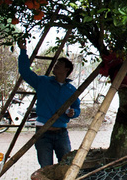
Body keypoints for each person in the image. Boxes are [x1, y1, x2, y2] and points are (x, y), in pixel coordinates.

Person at [18, 40, 80, 168]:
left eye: (59, 65)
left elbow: (76, 108)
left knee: (66, 166)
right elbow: (25, 72)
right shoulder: (43, 82)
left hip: (61, 133)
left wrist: (73, 113)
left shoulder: (71, 90)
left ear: (66, 70)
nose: (55, 66)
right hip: (43, 132)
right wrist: (23, 51)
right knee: (46, 168)